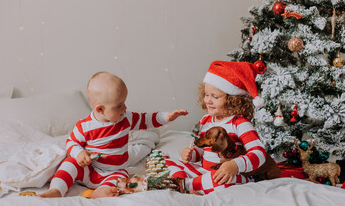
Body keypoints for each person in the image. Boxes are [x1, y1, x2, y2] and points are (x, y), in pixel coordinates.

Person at [39, 72, 188, 198]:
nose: (125, 108)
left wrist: (166, 116)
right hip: (91, 170)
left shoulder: (126, 119)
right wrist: (79, 153)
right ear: (100, 109)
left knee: (120, 182)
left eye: (124, 103)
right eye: (119, 106)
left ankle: (98, 192)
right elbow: (71, 142)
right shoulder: (85, 126)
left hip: (114, 171)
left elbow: (146, 120)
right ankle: (57, 190)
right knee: (69, 163)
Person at [166, 61, 266, 195]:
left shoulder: (240, 123)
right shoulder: (205, 120)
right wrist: (192, 155)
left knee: (220, 180)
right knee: (168, 162)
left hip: (229, 175)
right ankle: (190, 185)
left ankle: (184, 184)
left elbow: (259, 154)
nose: (208, 100)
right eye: (207, 95)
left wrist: (235, 165)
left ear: (233, 100)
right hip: (205, 172)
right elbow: (202, 151)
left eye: (215, 97)